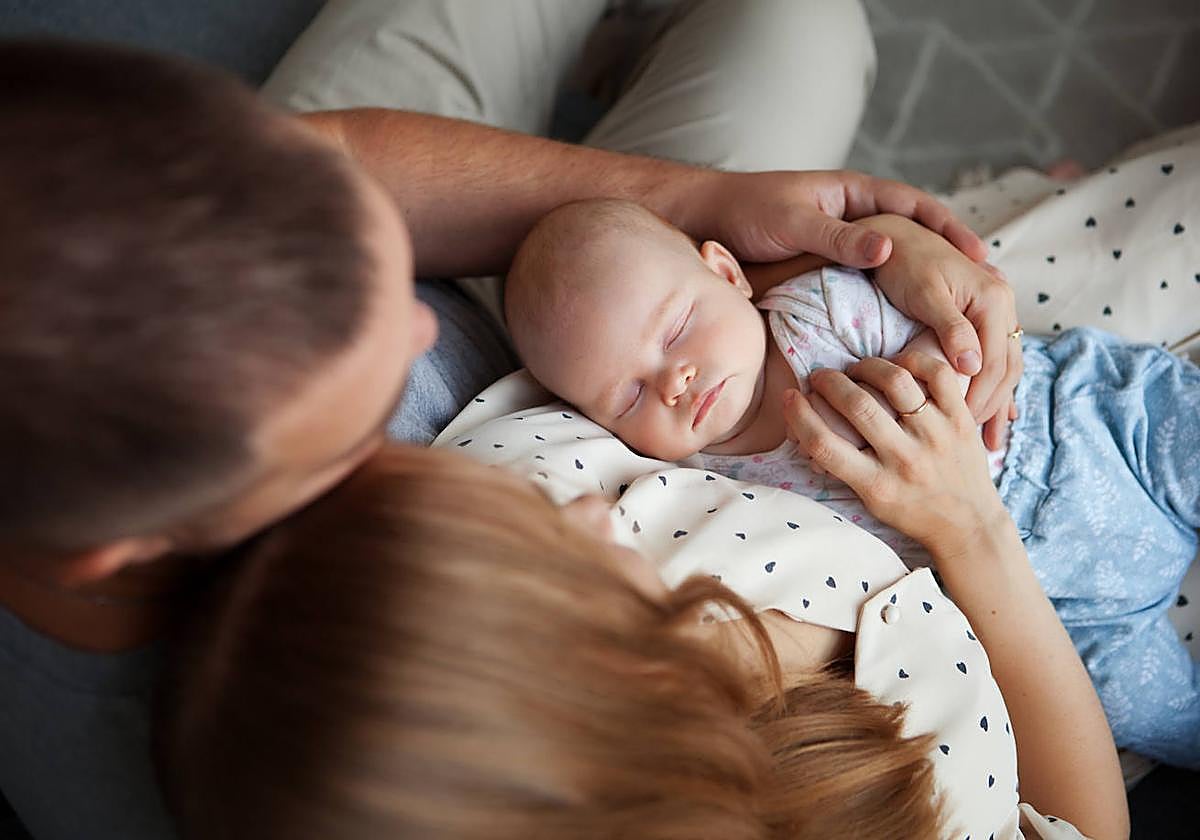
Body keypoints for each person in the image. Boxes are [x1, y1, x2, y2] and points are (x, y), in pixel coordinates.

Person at [0, 30, 1020, 840]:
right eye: (350, 422)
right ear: (121, 554)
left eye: (368, 280)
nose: (418, 323)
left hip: (602, 290)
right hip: (615, 367)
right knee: (808, 33)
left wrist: (692, 206)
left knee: (798, 27)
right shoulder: (335, 731)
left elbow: (344, 157)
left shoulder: (118, 285)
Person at [504, 197, 1200, 767]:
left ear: (728, 273)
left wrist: (938, 362)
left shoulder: (818, 312)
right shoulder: (714, 488)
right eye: (628, 397)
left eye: (678, 327)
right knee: (1154, 714)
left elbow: (950, 330)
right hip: (1060, 607)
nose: (674, 379)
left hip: (1086, 428)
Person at [158, 441, 1127, 839]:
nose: (585, 511)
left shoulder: (497, 490)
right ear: (595, 692)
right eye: (558, 546)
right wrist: (975, 529)